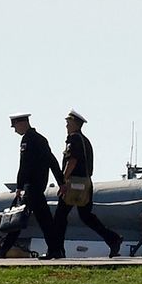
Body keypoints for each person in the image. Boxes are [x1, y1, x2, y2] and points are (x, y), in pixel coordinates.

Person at [47, 109, 123, 259]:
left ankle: (57, 249)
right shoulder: (84, 140)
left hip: (73, 183)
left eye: (68, 123)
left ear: (75, 124)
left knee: (60, 217)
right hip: (86, 183)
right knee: (86, 216)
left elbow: (72, 161)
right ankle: (112, 239)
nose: (66, 126)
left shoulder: (74, 139)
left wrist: (63, 181)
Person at [0, 113, 62, 258]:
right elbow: (52, 161)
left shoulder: (27, 140)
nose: (15, 130)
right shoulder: (41, 139)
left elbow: (24, 165)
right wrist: (61, 182)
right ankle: (55, 249)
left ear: (22, 123)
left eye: (15, 126)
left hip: (31, 186)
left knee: (21, 219)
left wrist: (19, 186)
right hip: (39, 185)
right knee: (37, 219)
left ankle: (3, 249)